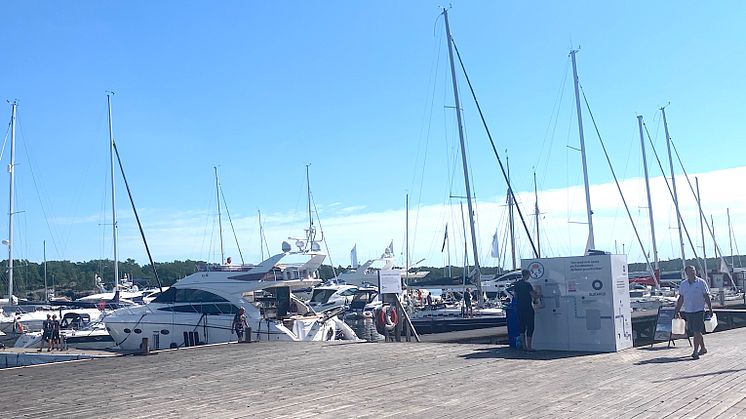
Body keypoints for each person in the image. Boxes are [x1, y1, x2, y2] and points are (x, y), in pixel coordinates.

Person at [674, 265, 713, 360]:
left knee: (696, 330)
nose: (692, 273)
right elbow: (681, 298)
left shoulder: (701, 283)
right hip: (688, 310)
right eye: (689, 272)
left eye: (693, 271)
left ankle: (695, 351)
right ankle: (703, 348)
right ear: (686, 273)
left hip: (699, 310)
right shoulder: (683, 284)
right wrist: (677, 310)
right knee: (696, 331)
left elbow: (706, 296)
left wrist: (710, 309)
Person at [511, 269, 539, 351]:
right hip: (528, 307)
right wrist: (539, 294)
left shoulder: (517, 284)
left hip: (519, 308)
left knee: (522, 327)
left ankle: (524, 346)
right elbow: (534, 295)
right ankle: (529, 347)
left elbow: (515, 296)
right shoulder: (527, 285)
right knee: (530, 326)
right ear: (527, 275)